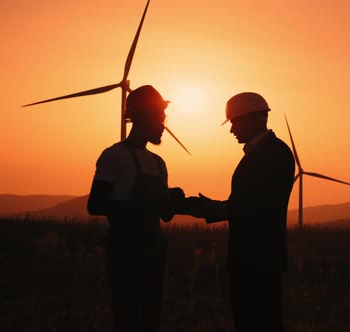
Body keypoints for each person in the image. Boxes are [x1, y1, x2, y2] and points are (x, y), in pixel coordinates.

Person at [178, 92, 295, 331]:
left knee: (261, 322)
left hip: (260, 257)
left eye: (234, 122)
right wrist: (209, 206)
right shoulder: (264, 153)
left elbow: (254, 207)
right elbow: (246, 202)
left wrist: (203, 208)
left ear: (255, 119)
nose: (232, 130)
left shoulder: (275, 153)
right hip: (252, 257)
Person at [87, 85, 184, 332]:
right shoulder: (114, 156)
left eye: (164, 116)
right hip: (125, 249)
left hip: (154, 248)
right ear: (139, 117)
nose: (164, 122)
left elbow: (164, 215)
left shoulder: (159, 163)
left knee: (151, 316)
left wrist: (172, 200)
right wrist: (142, 205)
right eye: (158, 116)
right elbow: (95, 204)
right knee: (128, 317)